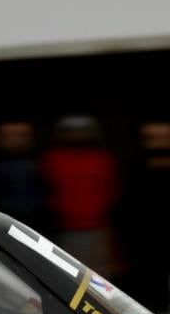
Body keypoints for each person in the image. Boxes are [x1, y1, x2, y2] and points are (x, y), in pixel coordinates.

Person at [123, 121, 170, 313]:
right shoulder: (134, 165)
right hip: (145, 234)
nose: (159, 143)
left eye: (164, 137)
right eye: (153, 138)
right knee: (149, 279)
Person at [40, 116, 120, 271]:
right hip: (63, 229)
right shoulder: (51, 160)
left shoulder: (104, 159)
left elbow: (112, 191)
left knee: (101, 275)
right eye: (72, 132)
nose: (78, 136)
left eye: (83, 131)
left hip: (101, 228)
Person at [0, 121, 46, 230]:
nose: (15, 140)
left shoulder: (45, 163)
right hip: (1, 219)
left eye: (22, 136)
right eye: (8, 136)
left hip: (38, 219)